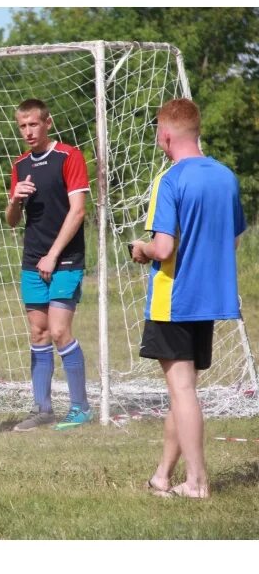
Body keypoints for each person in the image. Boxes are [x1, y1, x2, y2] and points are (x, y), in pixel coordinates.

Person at [131, 98, 246, 499]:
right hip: (209, 299)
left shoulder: (172, 179)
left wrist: (139, 248)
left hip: (174, 297)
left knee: (181, 391)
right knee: (184, 393)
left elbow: (163, 248)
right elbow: (231, 239)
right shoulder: (226, 177)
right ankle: (163, 475)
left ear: (165, 135)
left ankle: (197, 482)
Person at [5, 98, 92, 432]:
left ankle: (80, 407)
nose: (28, 132)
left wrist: (53, 254)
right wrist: (15, 199)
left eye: (33, 125)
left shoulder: (69, 156)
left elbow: (78, 211)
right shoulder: (20, 165)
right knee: (39, 333)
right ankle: (42, 409)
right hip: (32, 260)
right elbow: (12, 221)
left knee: (58, 331)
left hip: (65, 258)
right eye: (22, 126)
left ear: (47, 123)